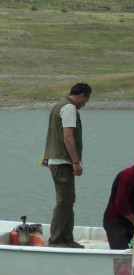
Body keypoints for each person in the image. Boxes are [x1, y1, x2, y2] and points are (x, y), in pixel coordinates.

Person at [42, 82, 92, 248]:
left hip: (59, 161)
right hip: (63, 161)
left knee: (68, 199)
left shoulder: (58, 106)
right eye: (86, 100)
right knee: (64, 200)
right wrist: (76, 162)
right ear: (82, 95)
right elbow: (68, 137)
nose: (85, 104)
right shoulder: (69, 108)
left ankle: (66, 238)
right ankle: (56, 239)